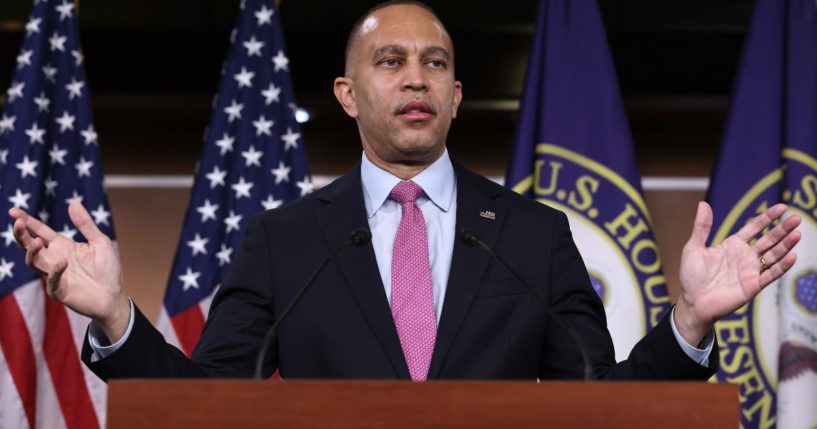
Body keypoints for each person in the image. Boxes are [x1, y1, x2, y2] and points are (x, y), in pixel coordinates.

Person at [9, 1, 801, 381]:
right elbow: (213, 403)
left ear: (457, 95)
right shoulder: (286, 239)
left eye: (435, 63)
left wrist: (690, 320)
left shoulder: (531, 234)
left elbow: (600, 401)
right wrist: (116, 315)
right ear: (348, 94)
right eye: (389, 61)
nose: (415, 77)